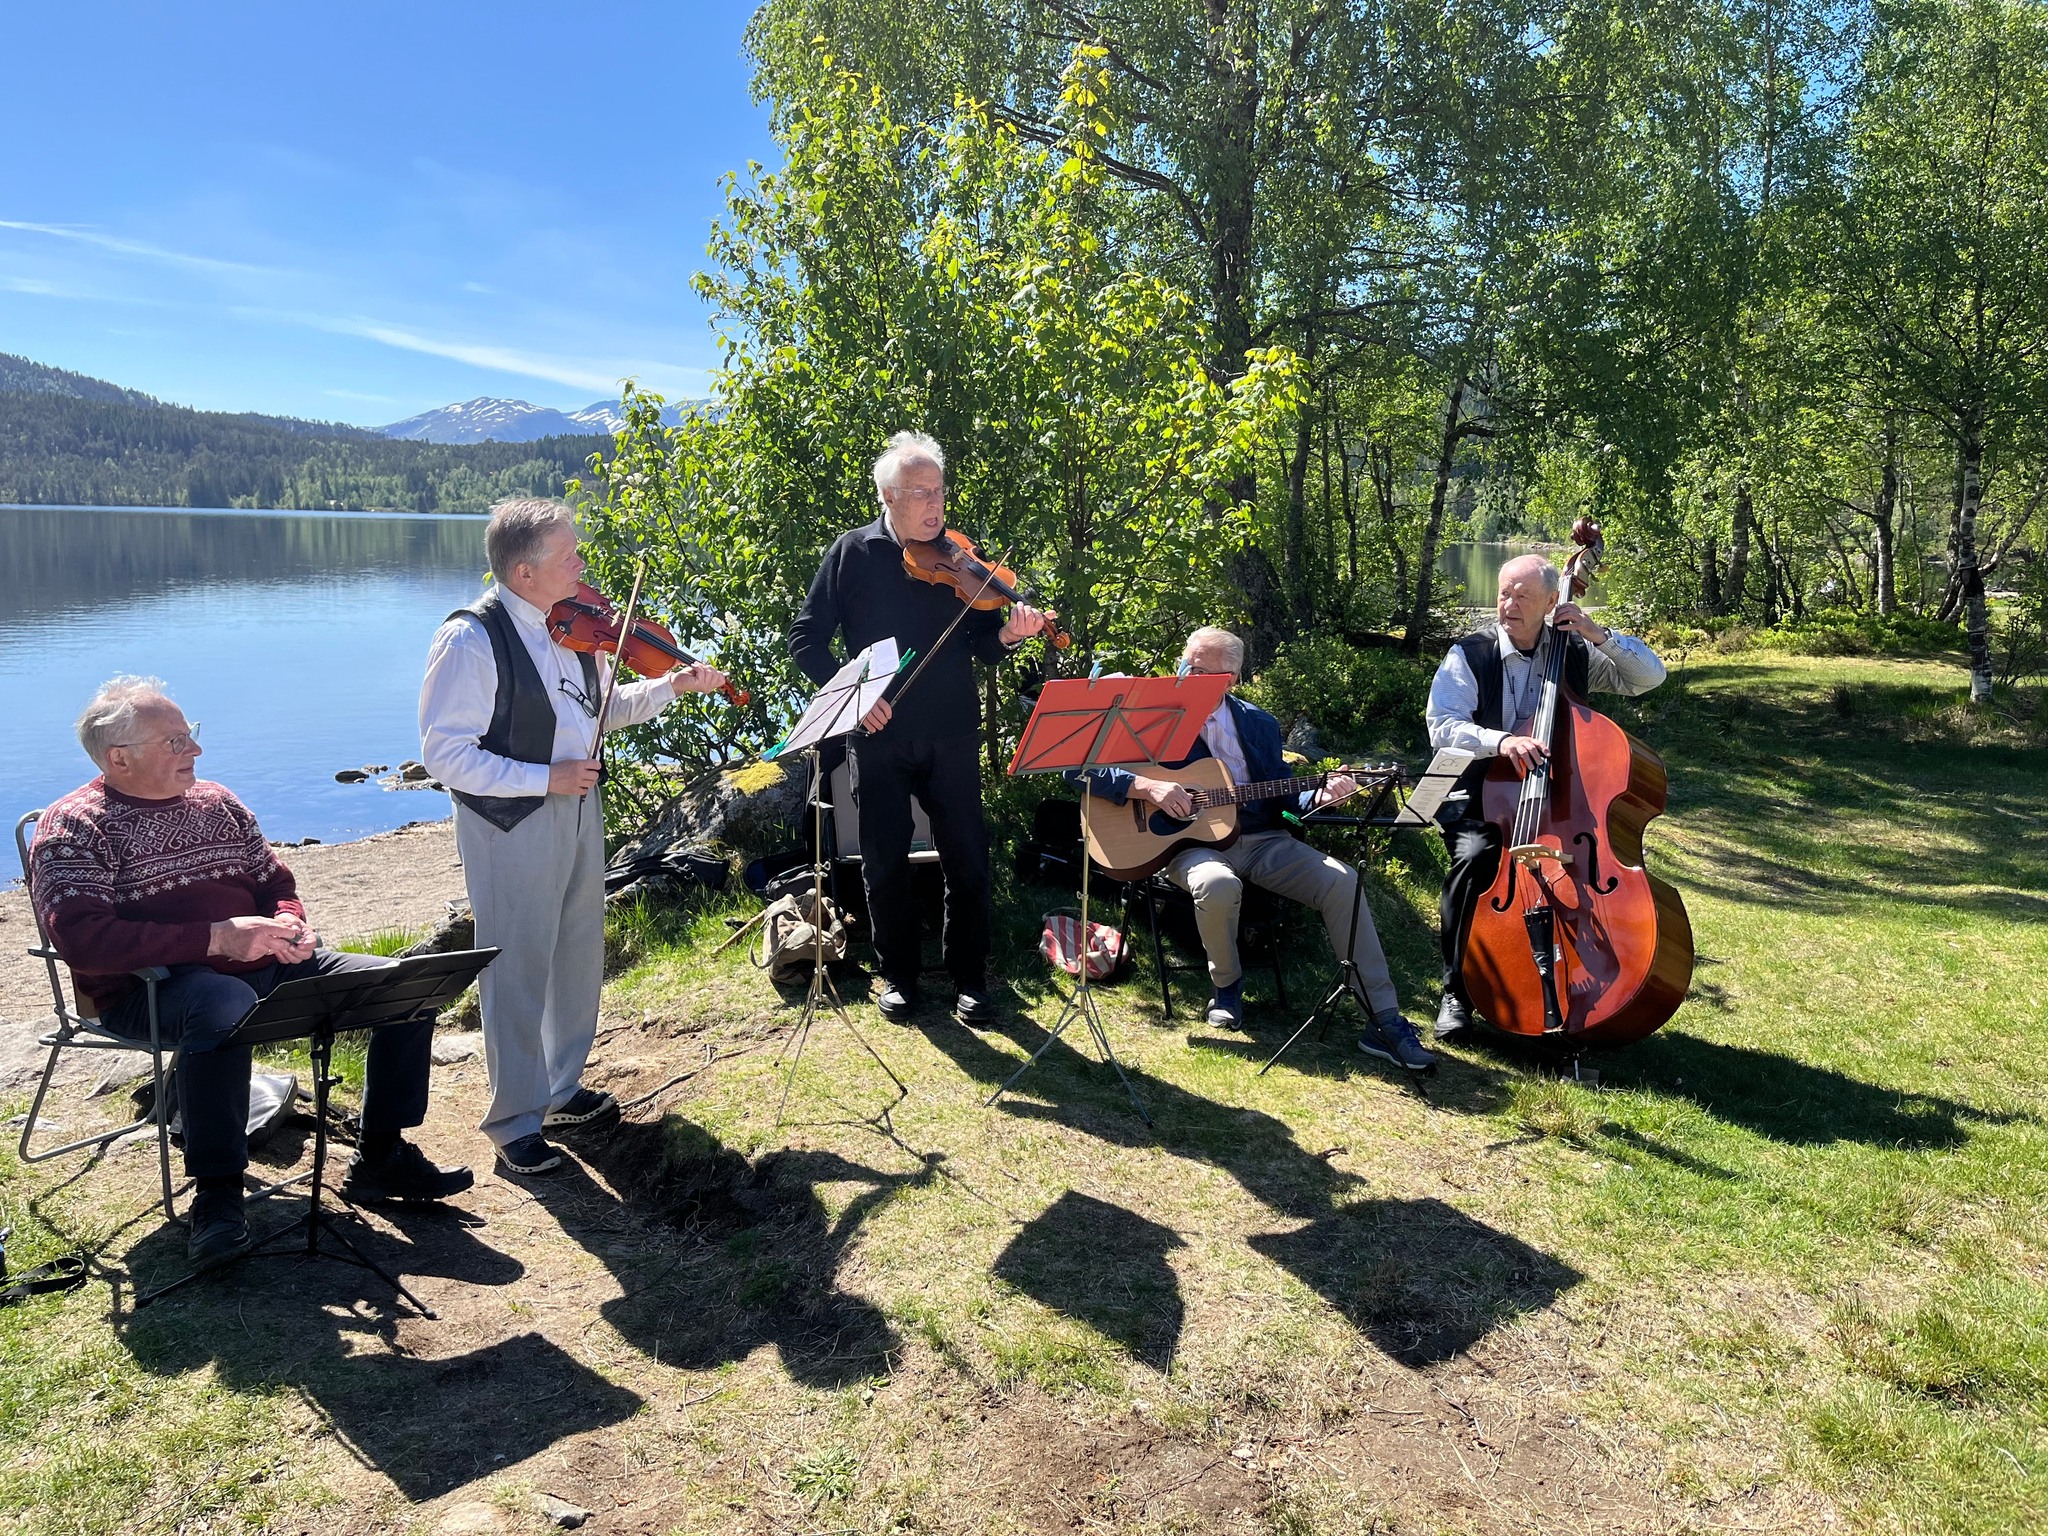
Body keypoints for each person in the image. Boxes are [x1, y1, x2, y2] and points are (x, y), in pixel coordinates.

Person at [29, 678, 471, 1269]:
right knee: (221, 1001)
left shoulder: (217, 802)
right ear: (119, 758)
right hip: (148, 990)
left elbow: (275, 883)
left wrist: (289, 923)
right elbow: (84, 942)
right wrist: (215, 938)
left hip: (264, 969)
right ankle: (218, 1192)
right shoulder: (75, 826)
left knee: (404, 985)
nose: (195, 750)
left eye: (191, 734)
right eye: (175, 741)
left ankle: (381, 1155)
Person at [419, 497, 730, 1176]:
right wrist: (544, 778)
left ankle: (559, 1090)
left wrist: (673, 685)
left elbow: (602, 712)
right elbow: (444, 755)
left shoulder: (574, 626)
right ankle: (514, 1120)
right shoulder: (470, 639)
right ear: (525, 573)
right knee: (516, 963)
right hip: (509, 820)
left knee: (576, 950)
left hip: (578, 806)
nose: (582, 565)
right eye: (569, 556)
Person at [1071, 627, 1434, 1071]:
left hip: (1263, 840)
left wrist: (1321, 796)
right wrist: (1148, 787)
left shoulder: (1259, 723)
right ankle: (1226, 987)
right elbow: (1078, 768)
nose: (1185, 675)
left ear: (1229, 680)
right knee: (1217, 883)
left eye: (1199, 671)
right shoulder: (1152, 716)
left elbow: (1284, 796)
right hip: (1188, 847)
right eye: (1185, 663)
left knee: (1344, 881)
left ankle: (1383, 1018)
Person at [788, 431, 1052, 1025]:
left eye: (939, 490)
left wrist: (1011, 635)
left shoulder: (960, 556)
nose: (935, 504)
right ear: (888, 496)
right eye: (920, 492)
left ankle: (970, 977)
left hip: (952, 729)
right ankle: (899, 976)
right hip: (878, 734)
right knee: (883, 860)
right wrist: (854, 699)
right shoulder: (851, 553)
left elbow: (982, 643)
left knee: (968, 858)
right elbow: (806, 639)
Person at [1425, 553, 1667, 1038]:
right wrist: (1501, 742)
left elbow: (1648, 678)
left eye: (1523, 597)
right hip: (1485, 796)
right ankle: (1457, 991)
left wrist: (1600, 635)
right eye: (1504, 594)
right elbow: (1442, 727)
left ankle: (1573, 980)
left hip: (1560, 802)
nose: (1509, 605)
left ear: (1553, 601)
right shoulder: (1469, 654)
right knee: (1473, 860)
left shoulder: (1573, 649)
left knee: (1576, 876)